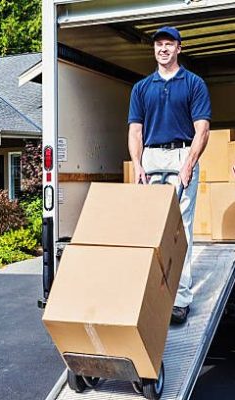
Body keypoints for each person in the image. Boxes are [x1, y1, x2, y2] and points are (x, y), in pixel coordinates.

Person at [128, 26, 211, 324]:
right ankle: (150, 294)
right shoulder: (142, 88)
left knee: (181, 229)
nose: (163, 49)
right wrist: (137, 164)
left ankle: (180, 299)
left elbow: (202, 128)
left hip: (180, 155)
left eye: (169, 44)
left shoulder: (193, 83)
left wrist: (189, 163)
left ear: (179, 48)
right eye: (159, 44)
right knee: (150, 230)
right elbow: (135, 131)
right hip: (150, 158)